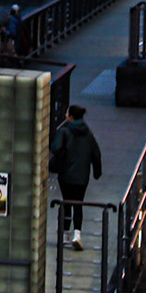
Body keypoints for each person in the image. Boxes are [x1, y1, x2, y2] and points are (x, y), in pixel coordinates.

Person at [49, 104, 102, 250]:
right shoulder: (88, 134)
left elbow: (55, 148)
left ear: (70, 116)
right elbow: (96, 154)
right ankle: (77, 235)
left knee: (67, 202)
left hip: (66, 174)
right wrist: (97, 172)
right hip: (82, 175)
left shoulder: (64, 131)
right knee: (79, 202)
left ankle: (65, 234)